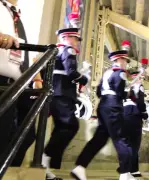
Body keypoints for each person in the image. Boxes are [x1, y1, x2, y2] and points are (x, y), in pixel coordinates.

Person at [71, 50, 135, 180]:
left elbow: (99, 92)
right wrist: (128, 93)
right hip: (114, 107)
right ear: (118, 60)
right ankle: (124, 173)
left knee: (99, 139)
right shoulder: (120, 73)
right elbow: (120, 92)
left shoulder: (107, 73)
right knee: (120, 138)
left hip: (104, 106)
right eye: (124, 61)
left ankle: (80, 167)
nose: (125, 64)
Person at [0, 0, 43, 167]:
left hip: (16, 86)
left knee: (23, 135)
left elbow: (29, 54)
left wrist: (37, 79)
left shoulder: (19, 17)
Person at [42, 28, 88, 180]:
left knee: (61, 128)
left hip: (55, 93)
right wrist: (84, 79)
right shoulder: (68, 50)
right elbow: (71, 72)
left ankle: (46, 166)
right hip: (62, 94)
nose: (76, 43)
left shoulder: (55, 52)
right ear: (67, 38)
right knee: (70, 126)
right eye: (75, 39)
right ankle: (45, 158)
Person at [121, 70, 148, 177]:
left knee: (126, 145)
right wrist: (145, 114)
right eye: (141, 78)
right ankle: (132, 169)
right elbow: (140, 103)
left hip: (124, 117)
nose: (142, 80)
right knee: (134, 145)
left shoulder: (125, 88)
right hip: (134, 117)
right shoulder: (139, 87)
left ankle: (126, 169)